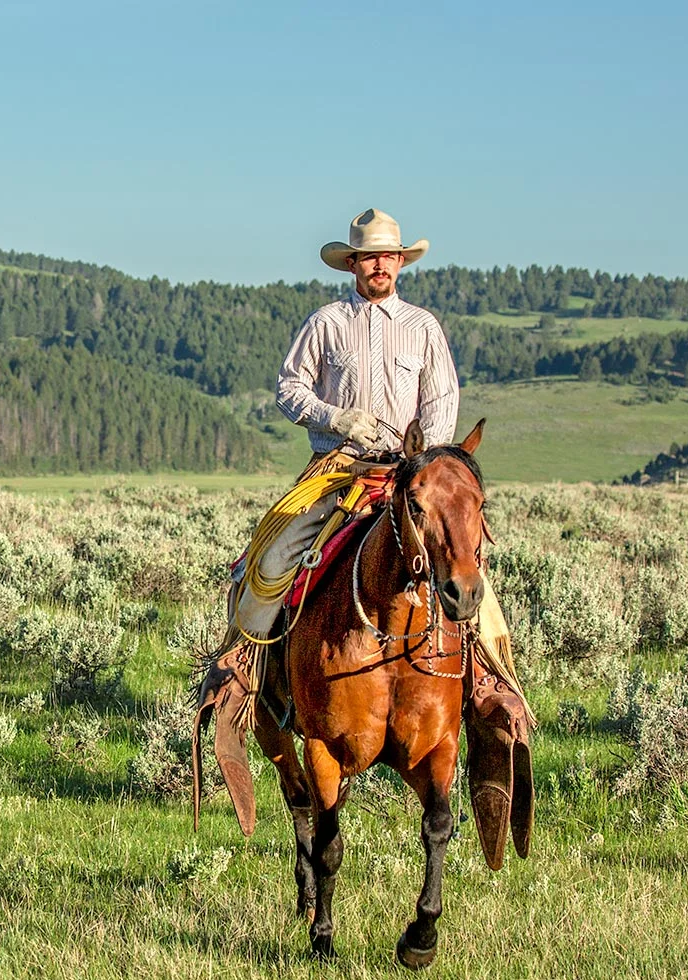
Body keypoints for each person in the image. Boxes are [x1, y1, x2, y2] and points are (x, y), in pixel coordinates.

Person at [199, 208, 532, 866]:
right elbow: (288, 389)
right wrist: (336, 417)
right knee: (276, 553)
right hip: (339, 470)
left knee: (467, 572)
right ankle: (245, 665)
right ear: (352, 265)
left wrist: (428, 459)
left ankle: (491, 683)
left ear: (400, 264)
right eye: (367, 258)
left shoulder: (423, 328)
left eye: (388, 257)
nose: (378, 266)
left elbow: (441, 399)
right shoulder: (326, 323)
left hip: (412, 474)